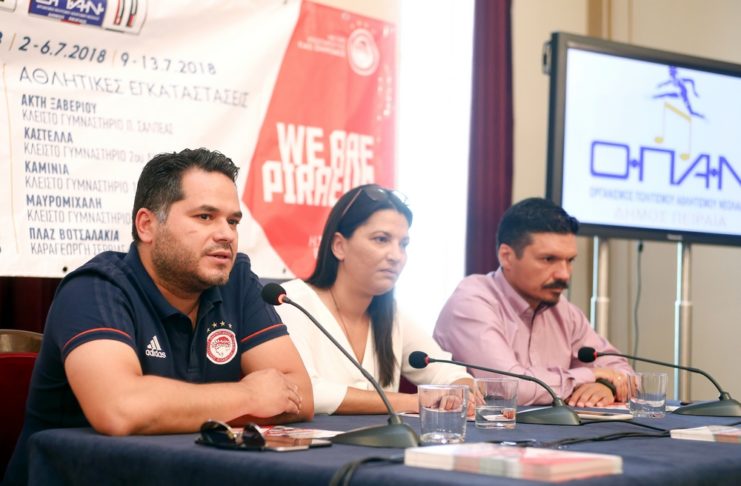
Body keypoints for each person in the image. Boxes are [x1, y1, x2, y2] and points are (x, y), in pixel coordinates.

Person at [4, 148, 313, 485]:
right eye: (205, 216)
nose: (226, 234)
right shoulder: (95, 288)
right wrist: (250, 396)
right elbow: (120, 408)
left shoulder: (236, 281)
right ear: (147, 225)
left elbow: (299, 395)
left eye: (233, 221)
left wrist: (169, 408)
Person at [275, 184, 472, 415]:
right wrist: (413, 402)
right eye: (381, 239)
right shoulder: (291, 303)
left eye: (403, 244)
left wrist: (462, 388)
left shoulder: (391, 314)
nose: (396, 256)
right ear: (339, 246)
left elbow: (445, 370)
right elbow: (304, 391)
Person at [434, 197, 633, 408]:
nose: (564, 274)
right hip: (481, 428)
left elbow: (621, 371)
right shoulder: (471, 302)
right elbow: (513, 389)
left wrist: (605, 385)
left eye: (570, 260)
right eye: (549, 259)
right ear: (507, 256)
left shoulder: (563, 311)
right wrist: (590, 375)